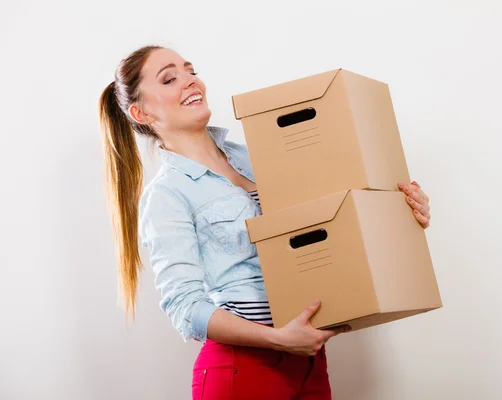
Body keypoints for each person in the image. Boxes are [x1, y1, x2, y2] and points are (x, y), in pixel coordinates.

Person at [98, 45, 432, 400]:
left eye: (191, 70)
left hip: (309, 360)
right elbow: (185, 307)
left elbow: (333, 219)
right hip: (241, 370)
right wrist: (278, 339)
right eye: (169, 78)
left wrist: (399, 209)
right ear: (141, 112)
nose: (190, 81)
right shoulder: (167, 194)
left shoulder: (260, 154)